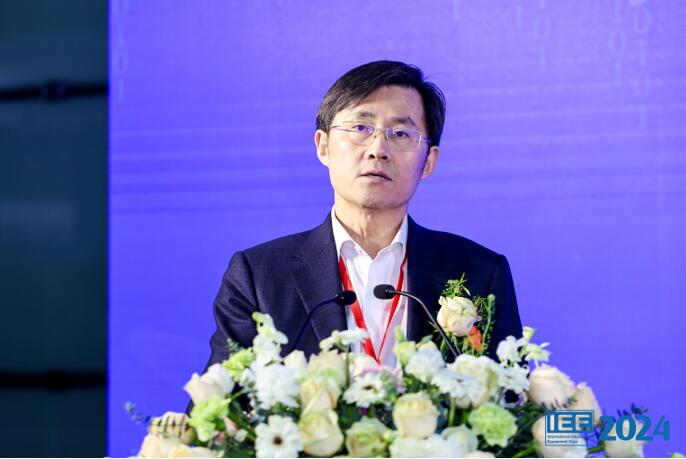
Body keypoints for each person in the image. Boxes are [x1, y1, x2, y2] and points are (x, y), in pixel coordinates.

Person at [204, 60, 522, 370]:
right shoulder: (259, 276)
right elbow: (220, 400)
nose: (377, 149)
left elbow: (512, 396)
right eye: (360, 128)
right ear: (323, 146)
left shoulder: (480, 272)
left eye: (401, 134)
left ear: (428, 162)